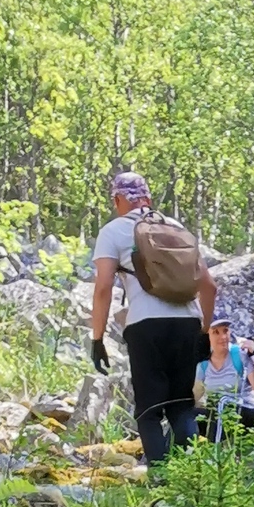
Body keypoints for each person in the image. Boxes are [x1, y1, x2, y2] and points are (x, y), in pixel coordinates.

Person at [89, 169, 217, 468]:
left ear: (119, 198)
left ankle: (160, 485)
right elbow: (209, 286)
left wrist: (97, 339)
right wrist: (203, 332)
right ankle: (192, 479)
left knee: (149, 410)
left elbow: (103, 287)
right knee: (182, 407)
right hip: (187, 322)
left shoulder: (113, 231)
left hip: (145, 325)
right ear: (147, 197)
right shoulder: (174, 227)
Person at [193, 317, 254, 437]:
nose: (223, 337)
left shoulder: (239, 355)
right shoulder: (203, 363)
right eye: (216, 332)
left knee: (223, 403)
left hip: (246, 410)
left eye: (225, 331)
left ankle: (217, 451)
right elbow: (196, 396)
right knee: (189, 416)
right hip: (219, 414)